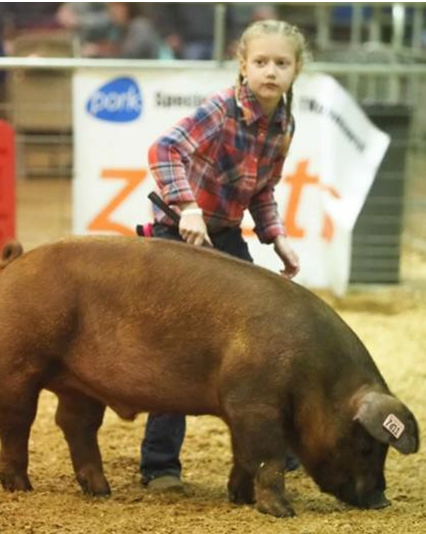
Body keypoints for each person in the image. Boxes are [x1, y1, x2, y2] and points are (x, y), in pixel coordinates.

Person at [140, 20, 307, 491]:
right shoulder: (221, 108)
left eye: (281, 63)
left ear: (296, 70)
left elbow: (263, 188)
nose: (270, 71)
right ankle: (160, 465)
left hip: (226, 233)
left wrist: (277, 237)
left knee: (261, 334)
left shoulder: (283, 123)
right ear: (243, 65)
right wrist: (187, 205)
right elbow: (164, 149)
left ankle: (271, 447)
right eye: (260, 62)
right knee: (181, 344)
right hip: (179, 229)